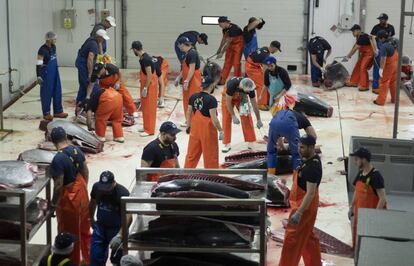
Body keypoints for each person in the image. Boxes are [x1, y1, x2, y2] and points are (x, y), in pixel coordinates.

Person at [279, 134, 322, 266]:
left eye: (302, 147)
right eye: (299, 146)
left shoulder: (312, 168)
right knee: (308, 237)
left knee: (292, 239)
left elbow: (310, 193)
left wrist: (299, 212)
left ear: (311, 147)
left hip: (303, 207)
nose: (299, 149)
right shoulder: (310, 160)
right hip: (304, 204)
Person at [49, 127, 90, 265]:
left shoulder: (58, 158)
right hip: (82, 193)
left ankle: (73, 262)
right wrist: (84, 188)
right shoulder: (76, 150)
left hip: (70, 200)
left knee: (70, 235)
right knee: (84, 230)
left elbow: (59, 184)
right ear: (66, 136)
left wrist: (53, 204)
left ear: (52, 141)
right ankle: (88, 260)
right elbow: (85, 170)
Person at [89, 171, 132, 265]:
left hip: (116, 229)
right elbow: (92, 202)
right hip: (101, 227)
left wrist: (120, 235)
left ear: (114, 183)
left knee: (118, 259)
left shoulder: (122, 193)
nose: (105, 190)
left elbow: (129, 216)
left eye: (107, 188)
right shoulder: (97, 188)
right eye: (103, 188)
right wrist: (91, 218)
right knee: (95, 257)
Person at [349, 147, 387, 248]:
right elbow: (357, 190)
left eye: (356, 159)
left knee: (370, 244)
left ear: (364, 159)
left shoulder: (376, 176)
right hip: (359, 213)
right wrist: (351, 207)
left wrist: (374, 217)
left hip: (370, 216)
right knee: (358, 239)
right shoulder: (361, 173)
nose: (354, 162)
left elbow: (382, 199)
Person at [184, 77, 224, 168]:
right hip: (207, 131)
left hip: (195, 129)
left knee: (191, 155)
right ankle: (212, 177)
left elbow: (189, 112)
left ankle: (185, 174)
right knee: (210, 155)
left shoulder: (193, 97)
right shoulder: (211, 99)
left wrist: (188, 126)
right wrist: (221, 130)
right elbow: (214, 119)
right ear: (211, 86)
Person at [221, 77, 263, 153]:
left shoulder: (250, 88)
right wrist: (233, 115)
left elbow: (254, 105)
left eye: (249, 92)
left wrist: (259, 119)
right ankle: (226, 143)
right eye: (247, 92)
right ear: (241, 87)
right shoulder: (231, 85)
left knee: (246, 116)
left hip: (241, 97)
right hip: (227, 97)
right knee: (226, 118)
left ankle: (251, 141)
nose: (248, 93)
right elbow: (228, 103)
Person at [86, 64, 124, 143]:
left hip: (108, 98)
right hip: (118, 97)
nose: (98, 74)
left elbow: (89, 114)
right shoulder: (95, 75)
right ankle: (119, 137)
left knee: (100, 118)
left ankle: (100, 136)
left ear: (103, 68)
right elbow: (91, 85)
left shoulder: (90, 101)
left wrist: (89, 125)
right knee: (117, 119)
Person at [36, 31, 67, 121]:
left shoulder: (53, 47)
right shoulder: (42, 50)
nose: (55, 40)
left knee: (57, 90)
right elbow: (38, 63)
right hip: (46, 73)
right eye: (54, 39)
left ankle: (58, 111)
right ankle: (46, 113)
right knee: (46, 93)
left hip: (54, 71)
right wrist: (38, 75)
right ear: (49, 39)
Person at [267, 95, 301, 175]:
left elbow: (279, 131)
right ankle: (296, 178)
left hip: (274, 124)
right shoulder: (298, 115)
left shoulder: (277, 112)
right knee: (296, 153)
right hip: (289, 125)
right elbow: (310, 133)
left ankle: (271, 176)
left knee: (271, 151)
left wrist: (281, 145)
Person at [75, 29, 110, 107]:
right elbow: (90, 59)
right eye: (103, 38)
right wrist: (90, 73)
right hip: (83, 64)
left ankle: (82, 102)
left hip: (85, 61)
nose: (104, 40)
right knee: (87, 83)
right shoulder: (93, 44)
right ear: (99, 37)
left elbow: (100, 54)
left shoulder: (97, 41)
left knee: (85, 84)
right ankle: (82, 104)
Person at [131, 41, 159, 137]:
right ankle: (146, 126)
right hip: (146, 84)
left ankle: (150, 130)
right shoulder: (142, 57)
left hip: (150, 86)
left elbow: (149, 74)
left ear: (135, 49)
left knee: (150, 108)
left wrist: (146, 88)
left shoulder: (145, 59)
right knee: (145, 107)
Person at [245, 41, 281, 109]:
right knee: (262, 84)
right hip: (251, 67)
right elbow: (265, 70)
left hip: (254, 66)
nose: (276, 51)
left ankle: (266, 101)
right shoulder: (265, 55)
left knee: (265, 82)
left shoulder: (265, 49)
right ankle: (260, 104)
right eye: (276, 50)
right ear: (273, 47)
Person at [177, 36, 202, 127]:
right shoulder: (187, 53)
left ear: (182, 44)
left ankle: (193, 122)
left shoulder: (192, 53)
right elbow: (184, 68)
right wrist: (179, 77)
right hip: (188, 79)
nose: (179, 47)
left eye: (179, 45)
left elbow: (192, 68)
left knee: (193, 100)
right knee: (187, 100)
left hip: (193, 80)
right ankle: (189, 120)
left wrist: (187, 80)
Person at [345, 25, 375, 91]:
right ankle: (354, 82)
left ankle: (365, 86)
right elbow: (355, 46)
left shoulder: (363, 37)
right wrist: (348, 55)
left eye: (353, 31)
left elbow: (356, 48)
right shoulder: (359, 37)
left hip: (369, 54)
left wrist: (349, 55)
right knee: (357, 66)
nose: (352, 33)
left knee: (363, 68)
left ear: (358, 30)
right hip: (364, 54)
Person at [371, 13, 395, 92]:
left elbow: (392, 38)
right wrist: (375, 49)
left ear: (386, 20)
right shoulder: (376, 27)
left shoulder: (391, 27)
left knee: (386, 67)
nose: (380, 21)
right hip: (379, 46)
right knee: (377, 67)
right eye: (380, 19)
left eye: (382, 19)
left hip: (388, 46)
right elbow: (372, 38)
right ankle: (375, 86)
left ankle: (383, 85)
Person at [373, 30, 399, 106]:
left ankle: (380, 101)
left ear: (383, 38)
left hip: (389, 65)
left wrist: (381, 69)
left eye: (380, 39)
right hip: (396, 63)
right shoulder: (395, 40)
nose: (379, 41)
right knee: (393, 82)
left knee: (384, 82)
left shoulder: (384, 46)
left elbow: (383, 58)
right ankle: (395, 99)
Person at [216, 16, 244, 85]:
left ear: (225, 22)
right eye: (219, 25)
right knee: (227, 62)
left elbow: (228, 42)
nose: (220, 26)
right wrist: (219, 49)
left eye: (221, 25)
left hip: (238, 45)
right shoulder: (224, 29)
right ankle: (222, 80)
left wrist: (222, 53)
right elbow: (224, 39)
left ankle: (237, 80)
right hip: (231, 45)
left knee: (236, 63)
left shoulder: (233, 29)